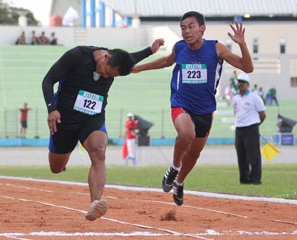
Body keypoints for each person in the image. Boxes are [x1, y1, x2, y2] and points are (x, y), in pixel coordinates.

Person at [133, 11, 253, 206]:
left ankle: (179, 182)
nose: (186, 31)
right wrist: (139, 68)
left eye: (190, 26)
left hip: (205, 110)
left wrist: (242, 44)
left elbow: (247, 68)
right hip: (181, 103)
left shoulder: (216, 49)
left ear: (202, 28)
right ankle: (174, 167)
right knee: (186, 134)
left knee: (194, 153)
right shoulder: (179, 48)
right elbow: (165, 61)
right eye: (183, 28)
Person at [42, 38, 164, 220]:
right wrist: (52, 110)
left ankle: (95, 204)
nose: (106, 77)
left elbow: (131, 58)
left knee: (99, 151)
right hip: (64, 119)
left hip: (92, 117)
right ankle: (67, 149)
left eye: (111, 77)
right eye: (107, 73)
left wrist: (150, 50)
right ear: (105, 57)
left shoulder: (117, 61)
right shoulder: (77, 56)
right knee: (56, 167)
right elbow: (48, 80)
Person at [232, 73, 266, 185]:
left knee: (253, 155)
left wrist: (255, 126)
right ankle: (244, 179)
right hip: (239, 128)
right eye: (239, 82)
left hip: (251, 128)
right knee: (241, 155)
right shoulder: (235, 98)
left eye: (243, 82)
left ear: (248, 84)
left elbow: (263, 114)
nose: (240, 84)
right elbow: (236, 113)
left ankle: (256, 179)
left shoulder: (255, 97)